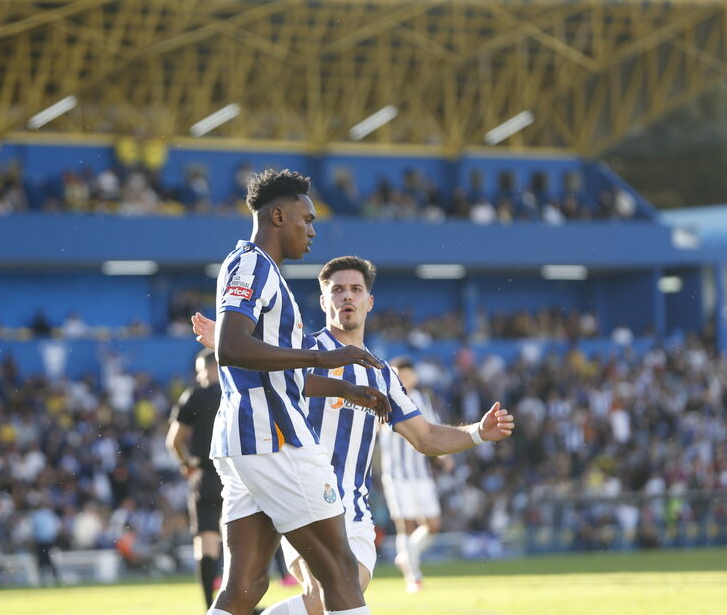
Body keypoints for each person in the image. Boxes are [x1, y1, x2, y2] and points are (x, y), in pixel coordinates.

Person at [193, 255, 515, 615]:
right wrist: (223, 343)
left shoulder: (382, 375)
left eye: (356, 289)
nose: (347, 296)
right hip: (302, 497)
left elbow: (424, 437)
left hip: (355, 512)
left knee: (325, 599)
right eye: (338, 289)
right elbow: (255, 364)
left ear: (369, 301)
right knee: (328, 591)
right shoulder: (301, 353)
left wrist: (477, 433)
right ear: (323, 300)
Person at [205, 169, 392, 615]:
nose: (312, 230)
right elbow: (231, 347)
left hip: (243, 440)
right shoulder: (253, 266)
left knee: (245, 587)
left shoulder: (255, 268)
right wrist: (319, 357)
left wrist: (345, 387)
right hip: (275, 438)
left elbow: (275, 370)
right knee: (341, 573)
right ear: (277, 215)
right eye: (305, 220)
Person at [378, 356, 451, 593]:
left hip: (420, 473)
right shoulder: (383, 397)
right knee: (405, 524)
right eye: (399, 374)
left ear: (415, 377)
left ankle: (407, 557)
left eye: (407, 374)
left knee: (433, 525)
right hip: (397, 475)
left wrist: (443, 454)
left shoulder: (421, 399)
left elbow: (431, 429)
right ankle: (413, 575)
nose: (404, 378)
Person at [166, 349, 224, 609]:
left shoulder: (194, 396)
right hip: (237, 475)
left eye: (201, 370)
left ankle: (210, 607)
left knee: (206, 543)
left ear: (211, 368)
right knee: (240, 540)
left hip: (205, 476)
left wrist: (186, 463)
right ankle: (239, 603)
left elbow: (173, 441)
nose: (199, 376)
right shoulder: (236, 394)